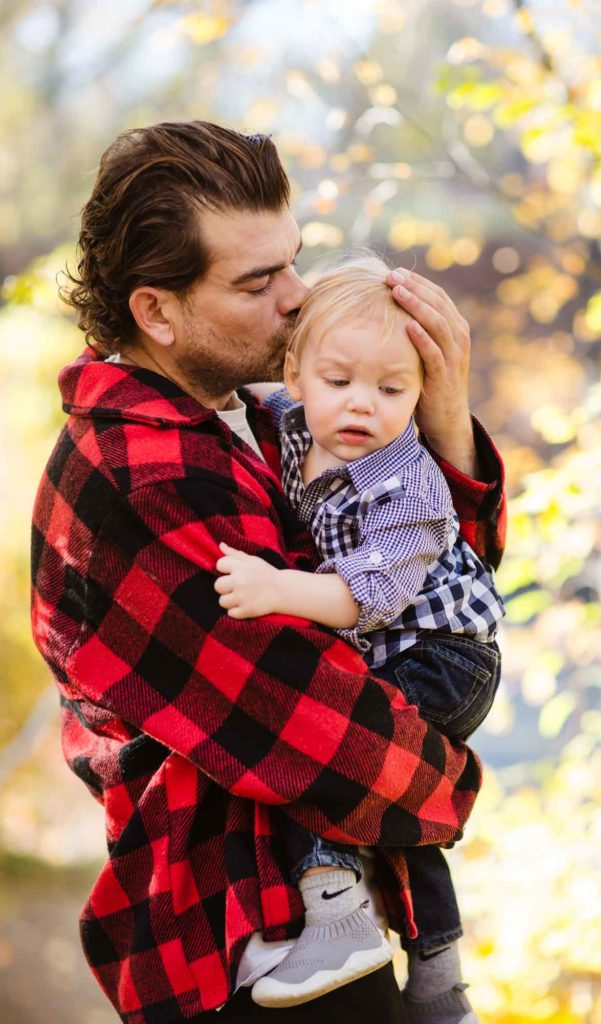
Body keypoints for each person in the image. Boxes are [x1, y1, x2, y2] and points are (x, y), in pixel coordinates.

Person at [30, 121, 506, 1024]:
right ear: (157, 312)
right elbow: (315, 729)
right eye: (257, 282)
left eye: (293, 261)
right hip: (245, 943)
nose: (298, 297)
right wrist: (457, 787)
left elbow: (421, 584)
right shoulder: (151, 475)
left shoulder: (258, 415)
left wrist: (443, 424)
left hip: (325, 908)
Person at [213, 256, 504, 1021]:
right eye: (339, 381)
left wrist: (276, 589)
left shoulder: (407, 483)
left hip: (445, 654)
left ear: (420, 393)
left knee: (333, 747)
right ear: (296, 374)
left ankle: (337, 913)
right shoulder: (294, 418)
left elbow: (364, 597)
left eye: (392, 389)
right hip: (393, 642)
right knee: (394, 804)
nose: (361, 407)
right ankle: (442, 980)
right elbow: (249, 392)